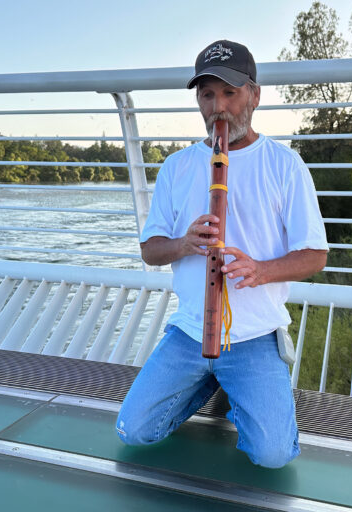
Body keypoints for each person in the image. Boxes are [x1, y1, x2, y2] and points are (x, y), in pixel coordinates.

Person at [115, 40, 328, 469]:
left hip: (254, 336)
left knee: (272, 456)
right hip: (191, 332)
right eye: (208, 95)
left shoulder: (284, 165)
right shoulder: (176, 166)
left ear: (254, 94)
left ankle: (238, 385)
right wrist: (183, 244)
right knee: (133, 430)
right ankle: (209, 382)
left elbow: (314, 255)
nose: (219, 107)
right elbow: (150, 251)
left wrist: (261, 269)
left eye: (230, 93)